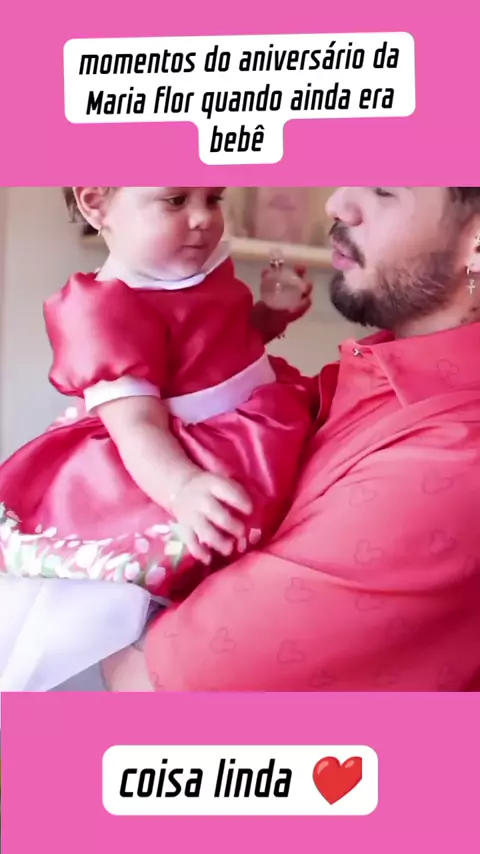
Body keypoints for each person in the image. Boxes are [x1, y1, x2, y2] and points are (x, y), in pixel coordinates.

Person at [102, 186, 480, 692]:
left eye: (385, 187)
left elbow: (145, 685)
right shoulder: (364, 382)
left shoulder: (452, 461)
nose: (336, 204)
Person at [0, 186, 313, 691]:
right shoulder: (105, 308)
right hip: (172, 461)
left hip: (252, 422)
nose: (202, 218)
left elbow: (220, 344)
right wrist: (181, 488)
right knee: (177, 579)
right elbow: (137, 425)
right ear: (96, 203)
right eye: (175, 201)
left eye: (213, 199)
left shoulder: (200, 269)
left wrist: (271, 315)